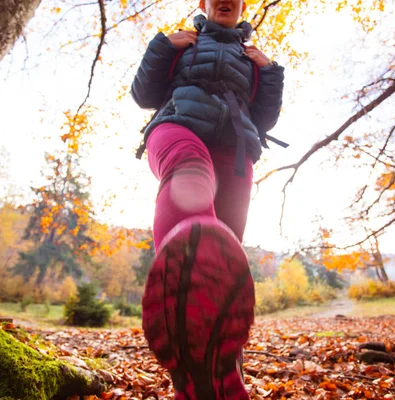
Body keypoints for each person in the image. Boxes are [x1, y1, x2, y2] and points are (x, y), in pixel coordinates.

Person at [131, 0, 284, 398]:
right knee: (189, 177)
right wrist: (163, 46)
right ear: (203, 2)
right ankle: (181, 304)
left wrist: (270, 72)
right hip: (178, 127)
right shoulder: (182, 42)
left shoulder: (255, 60)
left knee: (224, 255)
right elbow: (143, 95)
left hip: (235, 150)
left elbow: (265, 118)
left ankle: (216, 376)